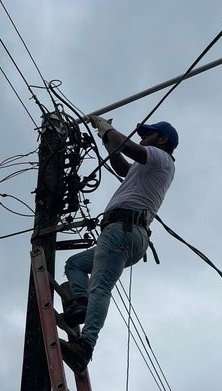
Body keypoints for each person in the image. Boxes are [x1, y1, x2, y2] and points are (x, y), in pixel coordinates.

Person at [59, 116, 178, 373]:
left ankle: (85, 347)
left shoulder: (161, 158)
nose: (142, 138)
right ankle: (81, 302)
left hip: (124, 229)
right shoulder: (147, 167)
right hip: (125, 232)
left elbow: (127, 146)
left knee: (100, 286)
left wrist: (107, 129)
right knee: (75, 264)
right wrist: (107, 141)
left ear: (162, 140)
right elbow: (122, 166)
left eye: (148, 135)